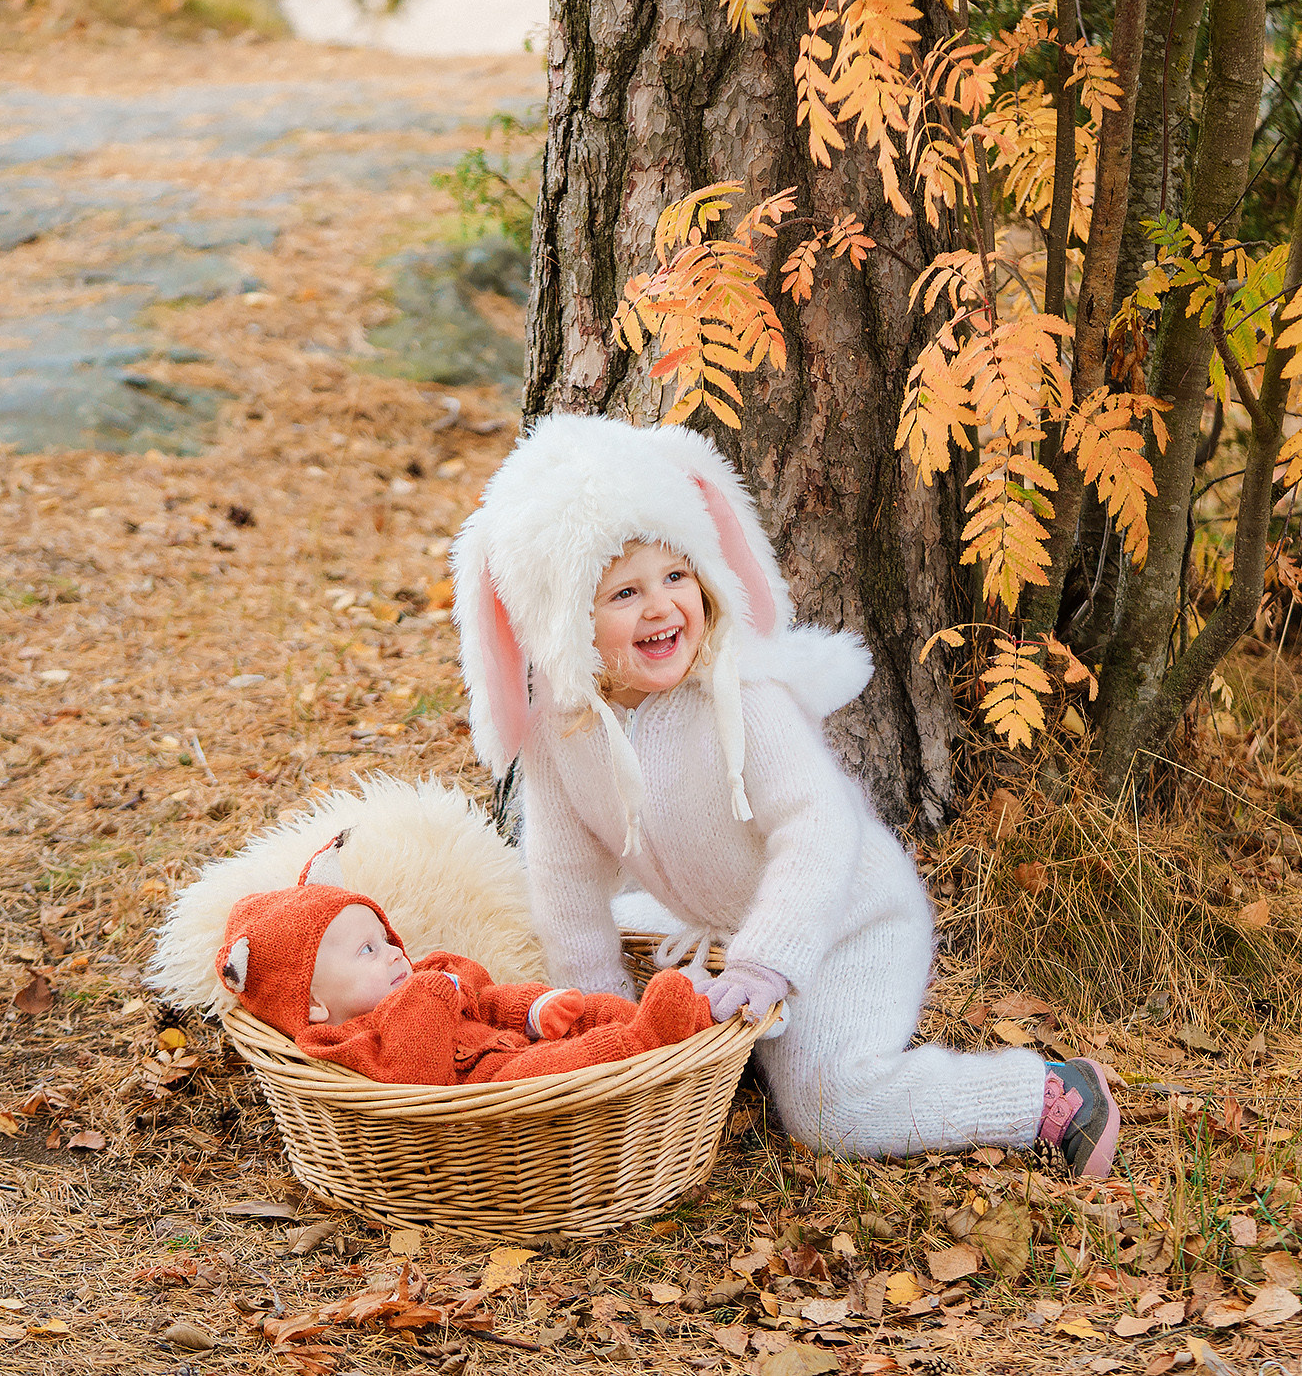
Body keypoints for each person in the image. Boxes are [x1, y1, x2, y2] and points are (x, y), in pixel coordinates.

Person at [451, 414, 1121, 1175]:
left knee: (826, 1108)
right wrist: (607, 1027)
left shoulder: (740, 696)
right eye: (624, 592)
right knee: (576, 941)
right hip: (715, 920)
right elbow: (565, 880)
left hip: (845, 921)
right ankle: (720, 1041)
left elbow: (819, 825)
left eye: (677, 576)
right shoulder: (562, 734)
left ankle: (1043, 1094)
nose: (663, 607)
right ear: (565, 624)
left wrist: (768, 961)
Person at [217, 831, 713, 1085]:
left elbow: (487, 1001)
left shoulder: (425, 978)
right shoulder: (340, 1041)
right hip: (496, 1088)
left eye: (386, 939)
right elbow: (416, 1075)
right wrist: (429, 995)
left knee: (588, 1010)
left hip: (514, 1041)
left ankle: (670, 1025)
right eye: (367, 951)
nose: (393, 954)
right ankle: (646, 1040)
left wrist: (534, 1011)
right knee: (557, 1065)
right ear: (315, 1002)